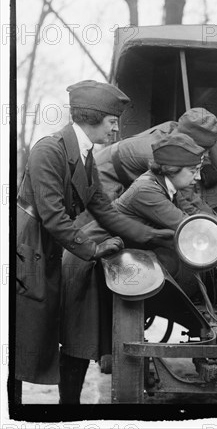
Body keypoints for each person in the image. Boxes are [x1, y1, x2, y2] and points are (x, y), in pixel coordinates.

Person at [15, 80, 173, 397]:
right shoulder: (49, 149)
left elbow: (106, 211)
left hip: (50, 246)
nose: (116, 130)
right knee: (23, 338)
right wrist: (95, 248)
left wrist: (157, 236)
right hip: (27, 246)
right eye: (112, 122)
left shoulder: (85, 155)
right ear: (92, 118)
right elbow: (53, 216)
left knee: (55, 332)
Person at [60, 132, 217, 403]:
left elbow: (188, 219)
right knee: (80, 340)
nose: (198, 177)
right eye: (193, 170)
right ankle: (66, 412)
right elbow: (186, 226)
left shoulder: (164, 187)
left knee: (109, 333)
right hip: (88, 262)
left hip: (111, 262)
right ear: (171, 169)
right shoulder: (147, 189)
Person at [93, 107, 217, 201]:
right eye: (201, 149)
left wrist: (205, 164)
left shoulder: (175, 130)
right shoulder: (159, 153)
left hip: (122, 171)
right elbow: (185, 197)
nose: (203, 154)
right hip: (102, 174)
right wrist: (214, 220)